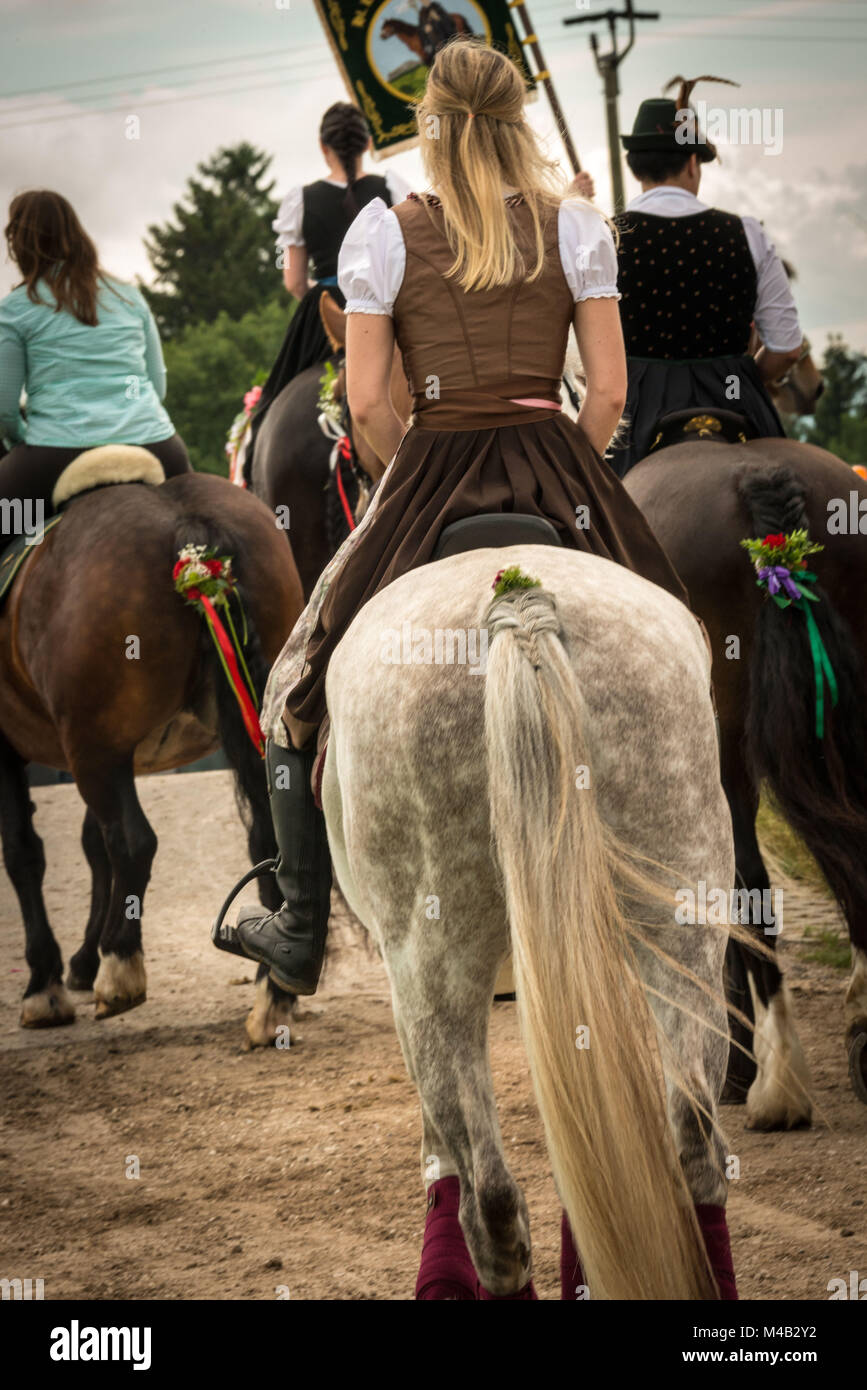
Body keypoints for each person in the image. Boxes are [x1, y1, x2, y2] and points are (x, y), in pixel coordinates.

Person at [212, 39, 691, 997]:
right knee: (681, 643)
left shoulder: (384, 234)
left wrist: (406, 473)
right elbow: (606, 393)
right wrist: (571, 464)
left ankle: (300, 923)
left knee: (296, 685)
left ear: (428, 126)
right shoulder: (578, 225)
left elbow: (371, 404)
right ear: (519, 121)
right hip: (555, 458)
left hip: (432, 464)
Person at [609, 76, 803, 477]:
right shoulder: (747, 232)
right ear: (693, 163)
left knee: (588, 525)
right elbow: (786, 349)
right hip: (734, 401)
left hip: (637, 415)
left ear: (634, 166)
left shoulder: (604, 237)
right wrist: (742, 375)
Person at [0, 190, 190, 548]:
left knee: (8, 533)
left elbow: (5, 407)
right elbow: (157, 387)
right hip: (155, 444)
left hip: (54, 453)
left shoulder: (14, 308)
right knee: (206, 535)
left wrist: (18, 441)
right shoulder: (129, 296)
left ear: (18, 243)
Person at [245, 103, 411, 472]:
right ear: (368, 142)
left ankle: (251, 464)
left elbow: (292, 281)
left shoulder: (300, 200)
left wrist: (323, 296)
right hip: (387, 303)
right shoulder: (392, 187)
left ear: (324, 148)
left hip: (324, 309)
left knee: (271, 403)